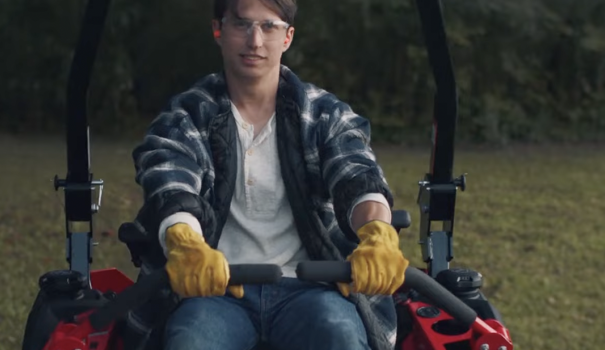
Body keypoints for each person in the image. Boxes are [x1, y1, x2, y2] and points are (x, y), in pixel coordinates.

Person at [124, 0, 409, 349]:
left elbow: (356, 174)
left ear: (287, 37)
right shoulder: (187, 115)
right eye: (242, 24)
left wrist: (377, 230)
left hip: (311, 290)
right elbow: (171, 181)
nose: (254, 41)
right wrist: (184, 240)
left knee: (342, 337)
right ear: (219, 30)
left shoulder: (323, 113)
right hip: (216, 292)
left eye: (269, 27)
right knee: (190, 342)